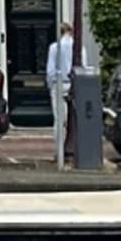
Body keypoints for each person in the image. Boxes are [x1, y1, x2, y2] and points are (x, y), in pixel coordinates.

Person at [45, 24, 75, 165]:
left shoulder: (54, 47)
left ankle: (59, 152)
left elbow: (50, 71)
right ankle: (72, 150)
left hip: (59, 84)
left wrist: (51, 85)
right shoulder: (79, 47)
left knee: (59, 120)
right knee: (73, 119)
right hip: (73, 85)